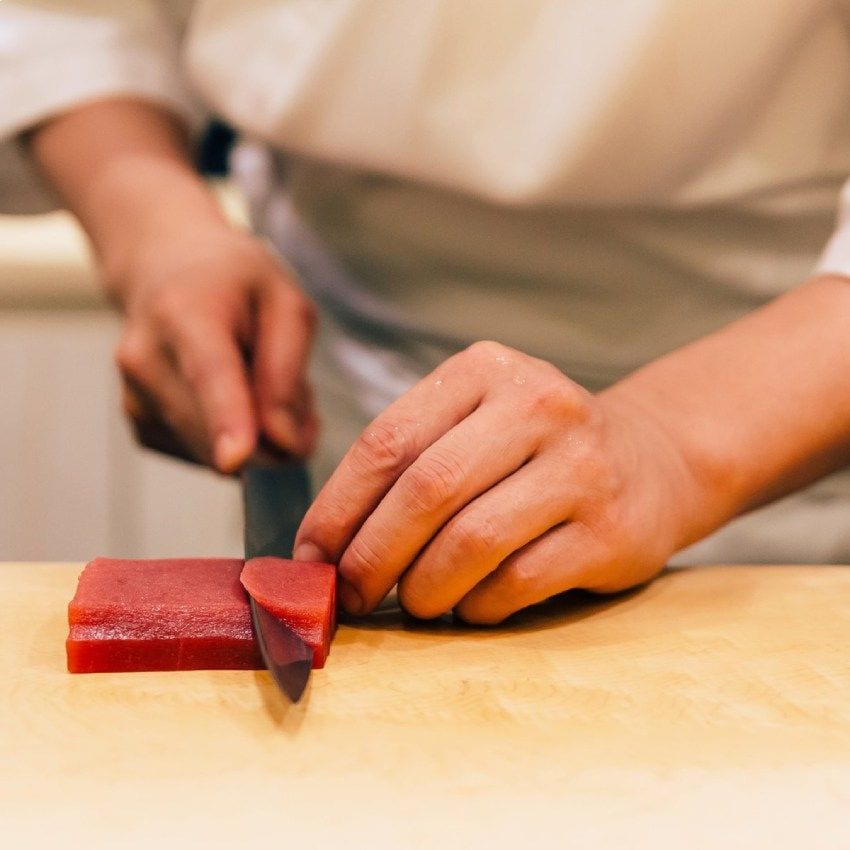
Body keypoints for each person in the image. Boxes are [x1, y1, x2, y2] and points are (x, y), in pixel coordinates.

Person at [5, 1, 850, 624]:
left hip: (780, 426)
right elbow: (70, 21)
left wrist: (669, 443)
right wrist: (159, 236)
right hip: (332, 396)